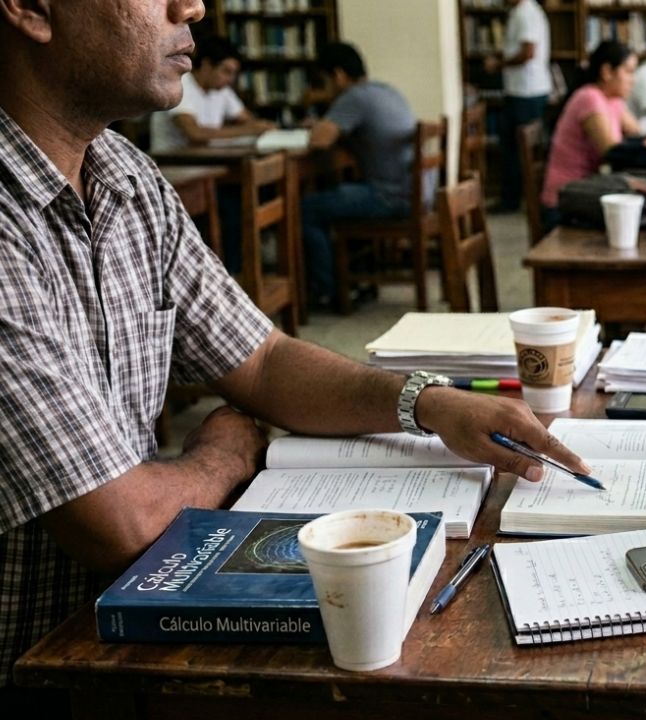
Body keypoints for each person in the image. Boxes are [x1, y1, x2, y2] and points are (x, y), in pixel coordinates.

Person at [0, 2, 587, 713]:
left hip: (141, 624)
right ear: (30, 8)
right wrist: (224, 449)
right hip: (42, 663)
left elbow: (265, 360)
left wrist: (430, 403)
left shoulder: (126, 176)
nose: (193, 6)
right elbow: (117, 523)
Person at [302, 42, 417, 310]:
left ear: (339, 75)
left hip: (388, 197)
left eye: (325, 81)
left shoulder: (353, 97)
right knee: (336, 195)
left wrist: (318, 121)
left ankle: (325, 291)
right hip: (411, 191)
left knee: (306, 208)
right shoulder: (385, 90)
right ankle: (348, 280)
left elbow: (319, 141)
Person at [149, 34, 276, 274]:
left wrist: (259, 127)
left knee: (254, 195)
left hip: (212, 172)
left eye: (234, 74)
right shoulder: (181, 85)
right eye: (226, 71)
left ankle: (241, 271)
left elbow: (248, 120)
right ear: (206, 65)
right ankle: (229, 273)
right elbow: (194, 134)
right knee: (234, 211)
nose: (230, 79)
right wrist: (250, 129)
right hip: (176, 178)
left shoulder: (221, 91)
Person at [539, 41, 640, 230]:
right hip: (564, 201)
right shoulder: (589, 98)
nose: (633, 80)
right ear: (607, 71)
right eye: (628, 71)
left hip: (585, 193)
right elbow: (611, 152)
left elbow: (639, 132)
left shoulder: (613, 99)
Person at [493, 0, 552, 212]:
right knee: (518, 149)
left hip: (525, 92)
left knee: (515, 150)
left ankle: (512, 201)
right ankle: (521, 199)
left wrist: (499, 64)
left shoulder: (526, 12)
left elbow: (528, 52)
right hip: (524, 90)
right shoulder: (525, 10)